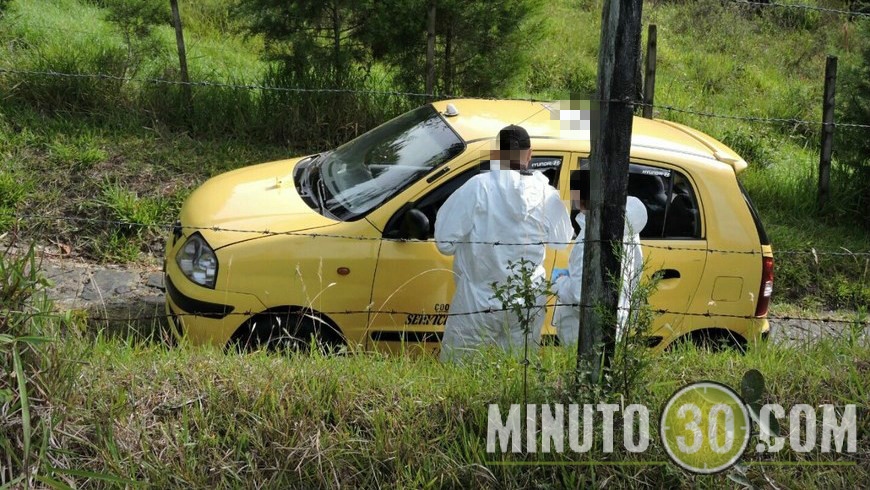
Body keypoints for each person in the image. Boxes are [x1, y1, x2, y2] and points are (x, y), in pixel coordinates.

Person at [434, 125, 573, 362]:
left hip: (478, 300)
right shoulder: (546, 194)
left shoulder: (478, 188)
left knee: (460, 370)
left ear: (496, 154)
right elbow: (561, 241)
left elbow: (444, 243)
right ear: (530, 155)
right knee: (515, 372)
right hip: (527, 302)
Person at [554, 170, 648, 346]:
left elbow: (579, 295)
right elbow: (636, 268)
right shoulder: (626, 226)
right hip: (615, 319)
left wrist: (559, 283)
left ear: (578, 199)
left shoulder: (587, 240)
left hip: (582, 332)